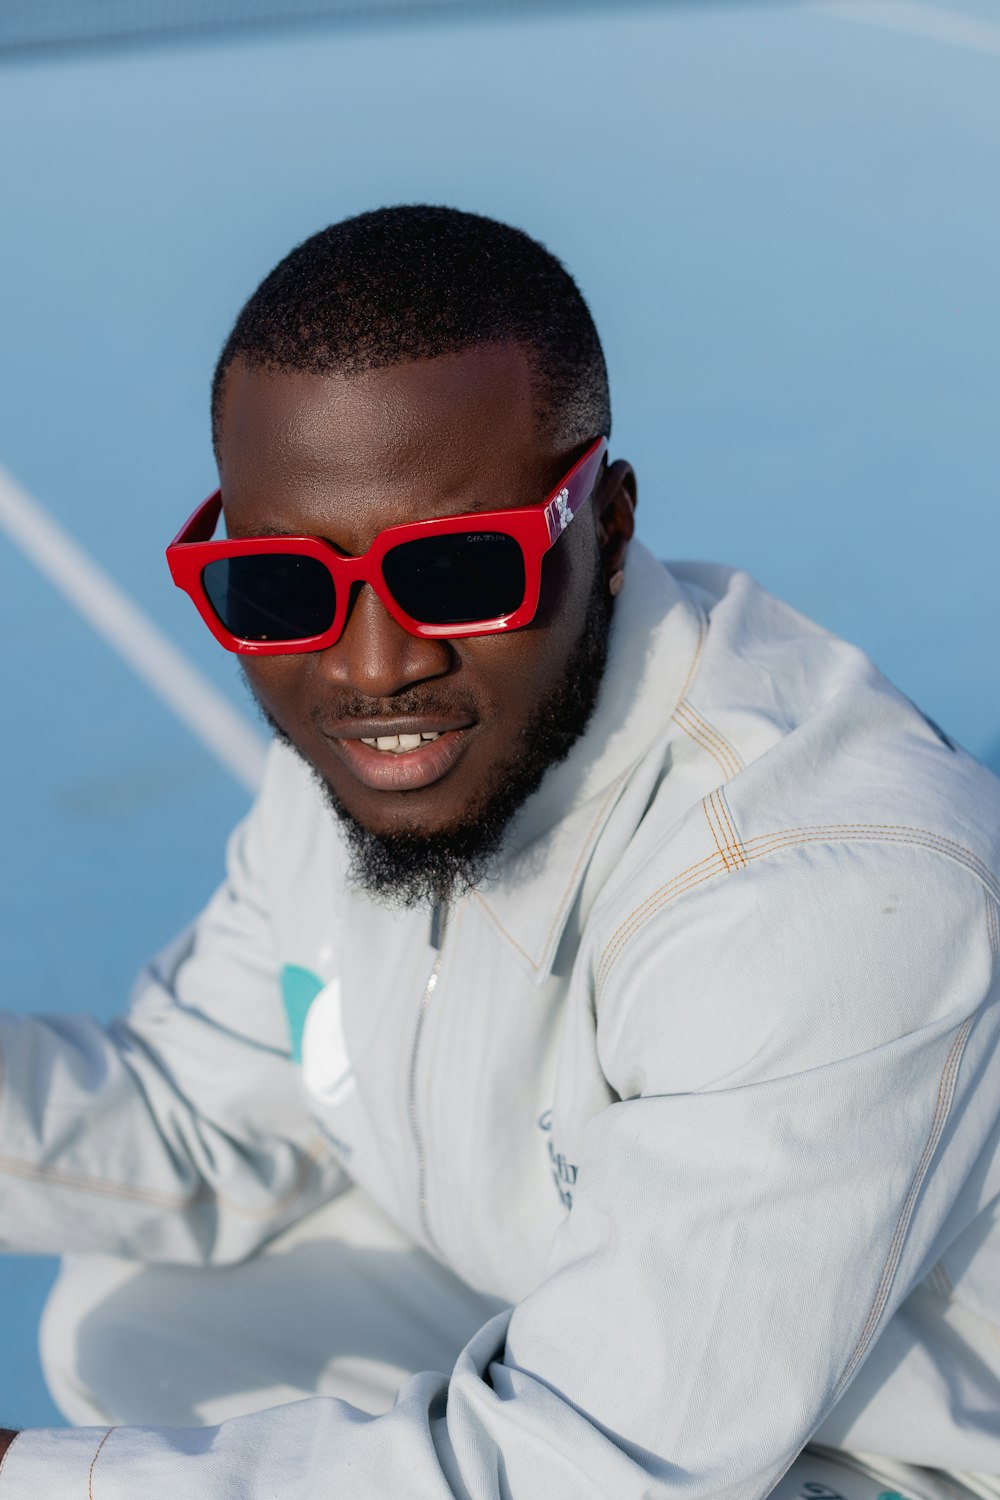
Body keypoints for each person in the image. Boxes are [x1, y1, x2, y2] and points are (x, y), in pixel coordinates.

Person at [0, 205, 998, 1500]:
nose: (372, 668)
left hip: (881, 1464)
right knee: (139, 1319)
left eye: (459, 571)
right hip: (586, 1316)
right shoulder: (366, 758)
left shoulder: (823, 892)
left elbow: (588, 1472)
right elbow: (203, 1120)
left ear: (611, 520)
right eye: (282, 587)